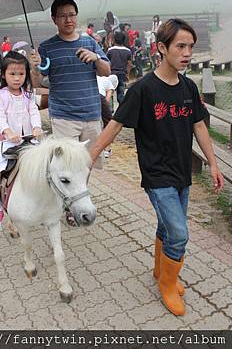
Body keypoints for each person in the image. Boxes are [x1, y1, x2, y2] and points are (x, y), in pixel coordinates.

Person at [90, 18, 224, 316]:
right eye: (180, 46)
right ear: (161, 48)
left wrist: (213, 163)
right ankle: (167, 284)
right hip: (156, 174)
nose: (187, 52)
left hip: (182, 172)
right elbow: (115, 125)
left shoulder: (188, 87)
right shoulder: (144, 90)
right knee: (179, 232)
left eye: (190, 46)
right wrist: (91, 156)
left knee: (166, 226)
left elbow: (199, 125)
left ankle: (159, 271)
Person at [30, 0, 110, 158]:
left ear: (77, 16)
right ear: (54, 19)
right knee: (66, 163)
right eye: (62, 16)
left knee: (89, 162)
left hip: (91, 114)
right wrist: (34, 68)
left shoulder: (90, 43)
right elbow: (36, 83)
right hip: (63, 117)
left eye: (72, 15)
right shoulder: (46, 47)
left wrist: (96, 58)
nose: (68, 20)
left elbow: (106, 71)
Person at [0, 52, 42, 233]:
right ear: (3, 74)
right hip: (6, 142)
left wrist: (36, 127)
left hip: (27, 140)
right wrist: (8, 132)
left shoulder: (28, 95)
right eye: (12, 74)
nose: (17, 78)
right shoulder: (0, 96)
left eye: (21, 74)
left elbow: (34, 111)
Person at [106, 31, 132, 106]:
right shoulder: (128, 51)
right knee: (120, 95)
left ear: (114, 39)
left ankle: (110, 110)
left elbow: (107, 62)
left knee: (110, 93)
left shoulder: (110, 50)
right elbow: (129, 64)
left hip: (112, 74)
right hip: (122, 74)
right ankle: (124, 110)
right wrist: (127, 74)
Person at [96, 74, 118, 157]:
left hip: (88, 96)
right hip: (100, 97)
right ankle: (107, 149)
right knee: (108, 124)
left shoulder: (99, 78)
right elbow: (107, 101)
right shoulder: (110, 85)